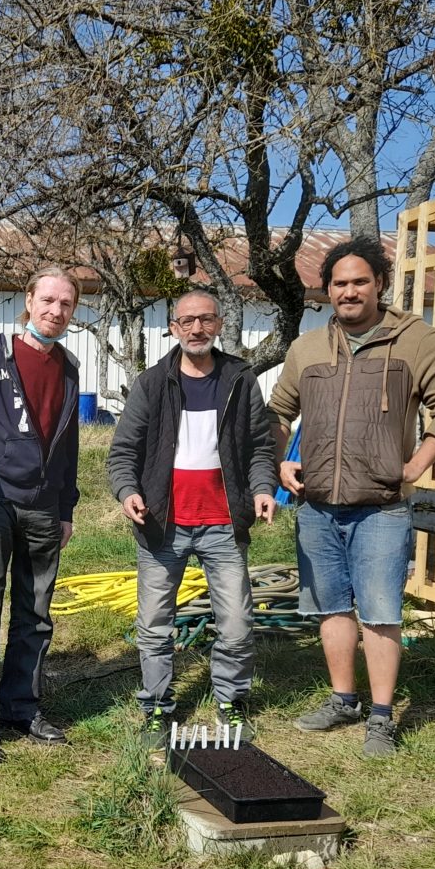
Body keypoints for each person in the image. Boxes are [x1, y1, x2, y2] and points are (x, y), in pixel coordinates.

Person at [267, 235, 435, 756]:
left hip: (381, 506)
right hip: (316, 504)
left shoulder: (417, 341)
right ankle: (343, 700)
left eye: (360, 281)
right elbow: (276, 412)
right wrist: (279, 462)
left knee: (380, 611)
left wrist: (414, 465)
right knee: (330, 607)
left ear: (379, 284)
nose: (350, 291)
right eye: (340, 283)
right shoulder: (307, 348)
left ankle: (381, 716)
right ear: (327, 290)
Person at [107, 290, 277, 744]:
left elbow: (260, 446)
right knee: (155, 622)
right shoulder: (151, 382)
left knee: (237, 622)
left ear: (219, 324)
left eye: (205, 319)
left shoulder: (239, 378)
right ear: (173, 327)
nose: (196, 329)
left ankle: (230, 700)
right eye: (186, 321)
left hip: (224, 522)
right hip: (163, 523)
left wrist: (262, 488)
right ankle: (158, 707)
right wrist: (128, 492)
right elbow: (123, 452)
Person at [0, 266, 82, 762]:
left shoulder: (68, 366)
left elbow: (66, 445)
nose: (55, 311)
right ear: (29, 300)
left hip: (46, 507)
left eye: (66, 304)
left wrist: (66, 506)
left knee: (36, 614)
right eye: (47, 300)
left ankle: (22, 707)